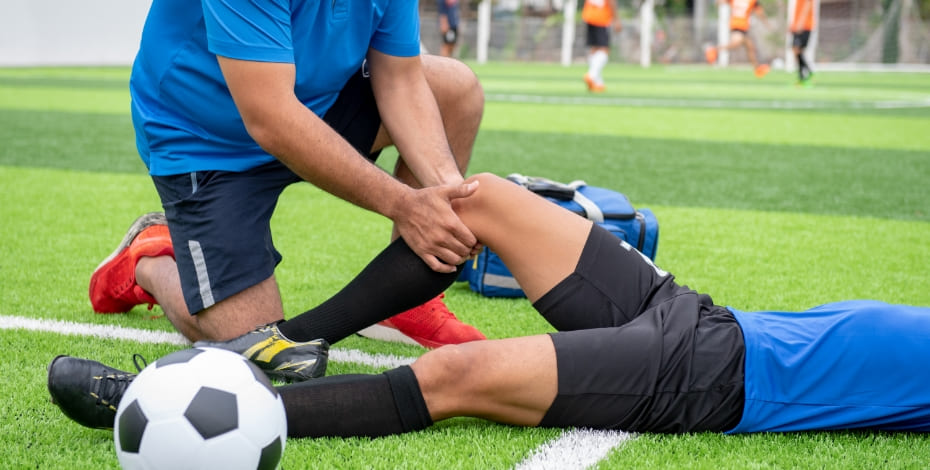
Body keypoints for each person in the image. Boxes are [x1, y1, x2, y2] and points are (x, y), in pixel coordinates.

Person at [50, 173, 930, 436]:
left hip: (713, 379)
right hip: (707, 320)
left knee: (458, 372)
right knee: (479, 200)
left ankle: (161, 408)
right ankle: (279, 343)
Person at [89, 0, 490, 370]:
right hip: (205, 138)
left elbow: (400, 79)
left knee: (453, 87)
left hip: (314, 101)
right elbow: (271, 116)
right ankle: (151, 258)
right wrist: (406, 204)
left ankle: (409, 304)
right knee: (259, 346)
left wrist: (450, 196)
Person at [705, 0, 772, 78]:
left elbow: (759, 12)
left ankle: (757, 69)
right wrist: (767, 24)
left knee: (750, 47)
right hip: (737, 25)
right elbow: (760, 13)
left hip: (743, 26)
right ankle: (714, 50)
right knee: (736, 44)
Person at [582, 0, 622, 92]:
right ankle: (591, 75)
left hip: (589, 15)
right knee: (604, 50)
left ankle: (598, 82)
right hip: (601, 17)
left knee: (594, 49)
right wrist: (616, 19)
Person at [790, 0, 816, 86]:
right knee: (797, 50)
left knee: (797, 49)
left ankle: (804, 76)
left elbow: (807, 4)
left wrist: (800, 22)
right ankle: (806, 74)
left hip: (805, 25)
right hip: (799, 24)